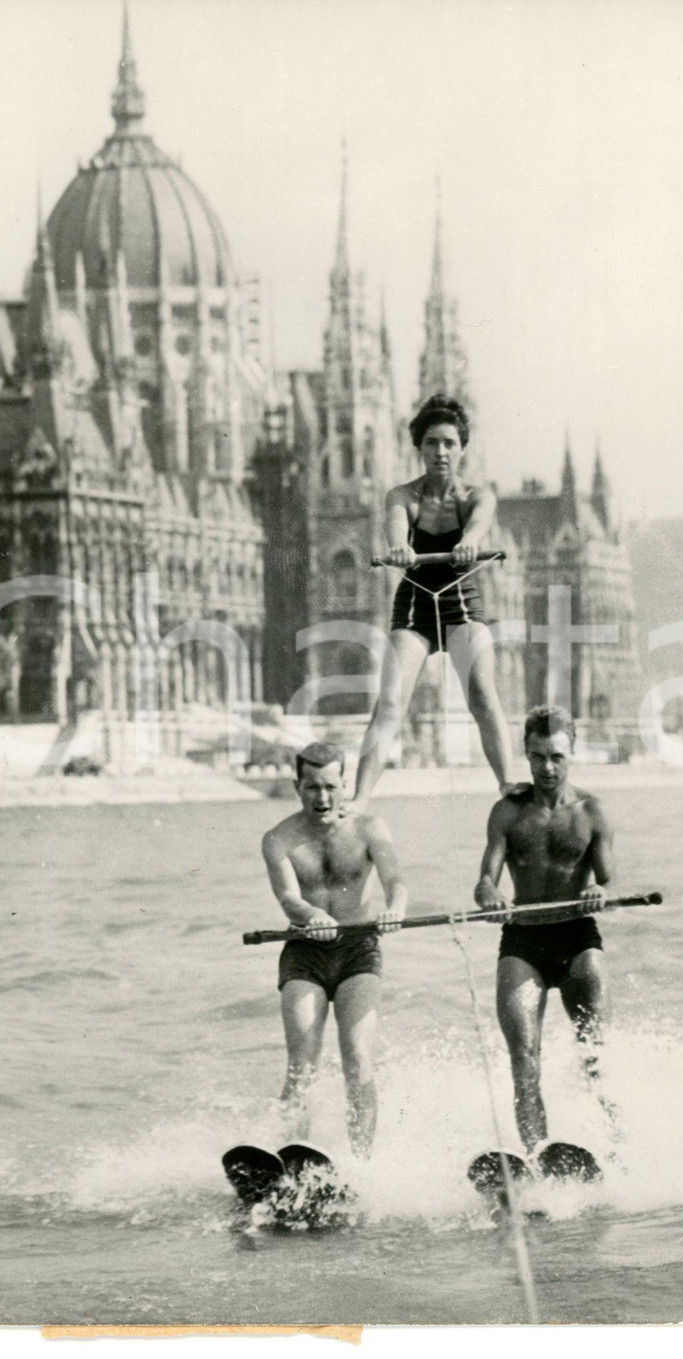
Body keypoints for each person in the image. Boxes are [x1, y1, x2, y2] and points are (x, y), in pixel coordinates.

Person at [351, 393, 514, 809]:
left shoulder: (478, 496)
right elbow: (394, 527)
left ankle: (509, 784)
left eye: (449, 443)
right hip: (416, 603)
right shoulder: (402, 496)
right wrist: (398, 548)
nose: (440, 452)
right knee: (390, 701)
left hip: (461, 598)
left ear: (461, 448)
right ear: (419, 449)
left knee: (481, 691)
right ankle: (360, 799)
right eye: (431, 443)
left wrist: (470, 543)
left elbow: (478, 525)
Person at [474, 705, 617, 1152]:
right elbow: (484, 883)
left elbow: (611, 879)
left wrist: (599, 890)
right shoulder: (508, 812)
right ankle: (537, 1156)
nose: (547, 767)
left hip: (578, 936)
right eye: (537, 757)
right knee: (524, 1060)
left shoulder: (592, 811)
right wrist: (491, 898)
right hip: (523, 939)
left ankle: (619, 1145)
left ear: (573, 752)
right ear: (526, 755)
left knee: (594, 1055)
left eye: (556, 756)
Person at [261, 741, 408, 1157]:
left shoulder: (370, 828)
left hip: (359, 950)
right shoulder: (279, 839)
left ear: (344, 785)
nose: (322, 798)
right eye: (311, 787)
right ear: (297, 786)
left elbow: (396, 880)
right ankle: (292, 1157)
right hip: (304, 951)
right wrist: (311, 915)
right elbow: (288, 899)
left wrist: (395, 909)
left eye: (330, 787)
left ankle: (362, 1162)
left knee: (357, 1058)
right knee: (301, 1063)